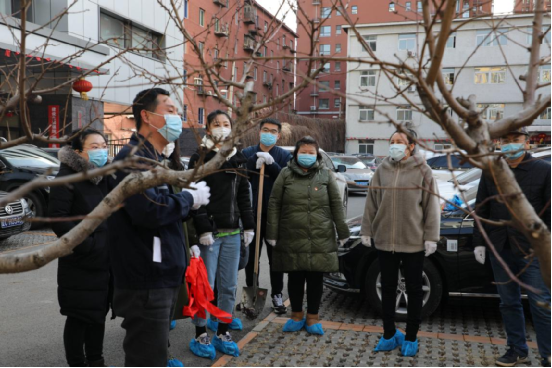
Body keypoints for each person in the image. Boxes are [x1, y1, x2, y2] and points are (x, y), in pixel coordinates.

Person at [108, 88, 211, 367]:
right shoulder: (132, 161)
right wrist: (188, 198)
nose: (177, 116)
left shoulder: (152, 159)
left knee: (154, 355)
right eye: (169, 109)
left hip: (158, 275)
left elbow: (161, 208)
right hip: (145, 280)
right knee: (147, 358)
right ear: (147, 115)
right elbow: (149, 212)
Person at [472, 128, 551, 368]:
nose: (510, 145)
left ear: (526, 143)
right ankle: (517, 349)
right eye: (505, 140)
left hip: (532, 251)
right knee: (508, 303)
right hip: (501, 248)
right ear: (498, 143)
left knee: (542, 303)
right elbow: (481, 209)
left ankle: (547, 354)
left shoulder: (544, 171)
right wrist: (479, 242)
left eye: (515, 140)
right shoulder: (492, 172)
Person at [361, 129, 441, 357]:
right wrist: (367, 230)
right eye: (392, 141)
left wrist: (431, 237)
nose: (395, 145)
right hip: (385, 240)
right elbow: (371, 203)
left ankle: (411, 337)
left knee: (414, 290)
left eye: (400, 142)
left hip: (413, 242)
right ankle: (389, 334)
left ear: (411, 146)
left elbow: (431, 206)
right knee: (387, 288)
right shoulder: (382, 170)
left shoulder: (423, 171)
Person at [187, 110, 256, 359]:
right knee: (204, 287)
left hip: (233, 233)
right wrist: (203, 228)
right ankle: (200, 334)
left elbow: (244, 195)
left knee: (227, 287)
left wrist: (248, 226)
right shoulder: (200, 157)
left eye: (226, 124)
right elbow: (195, 197)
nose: (222, 128)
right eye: (216, 124)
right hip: (211, 235)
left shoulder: (238, 158)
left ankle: (223, 331)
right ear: (207, 129)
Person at [266, 136, 350, 336]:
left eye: (311, 152)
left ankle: (312, 317)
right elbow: (274, 203)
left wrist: (343, 231)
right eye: (303, 152)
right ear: (295, 154)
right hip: (291, 234)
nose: (307, 156)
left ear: (317, 154)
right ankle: (296, 315)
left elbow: (336, 204)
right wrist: (272, 232)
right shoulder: (285, 174)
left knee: (315, 278)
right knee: (295, 277)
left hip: (319, 235)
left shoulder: (326, 175)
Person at [48, 129, 111, 368]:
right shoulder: (67, 179)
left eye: (104, 145)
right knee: (79, 317)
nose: (101, 150)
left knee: (98, 314)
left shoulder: (103, 176)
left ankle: (96, 361)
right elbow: (59, 219)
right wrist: (89, 246)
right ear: (78, 152)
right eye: (94, 146)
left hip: (104, 261)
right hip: (80, 261)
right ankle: (77, 363)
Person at [243, 118, 292, 315]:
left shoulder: (284, 156)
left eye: (273, 131)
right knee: (251, 258)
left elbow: (286, 179)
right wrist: (253, 161)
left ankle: (277, 294)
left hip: (274, 216)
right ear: (259, 131)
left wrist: (271, 165)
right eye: (265, 130)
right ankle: (251, 294)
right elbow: (241, 175)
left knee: (276, 258)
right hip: (252, 214)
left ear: (278, 135)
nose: (269, 133)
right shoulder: (247, 152)